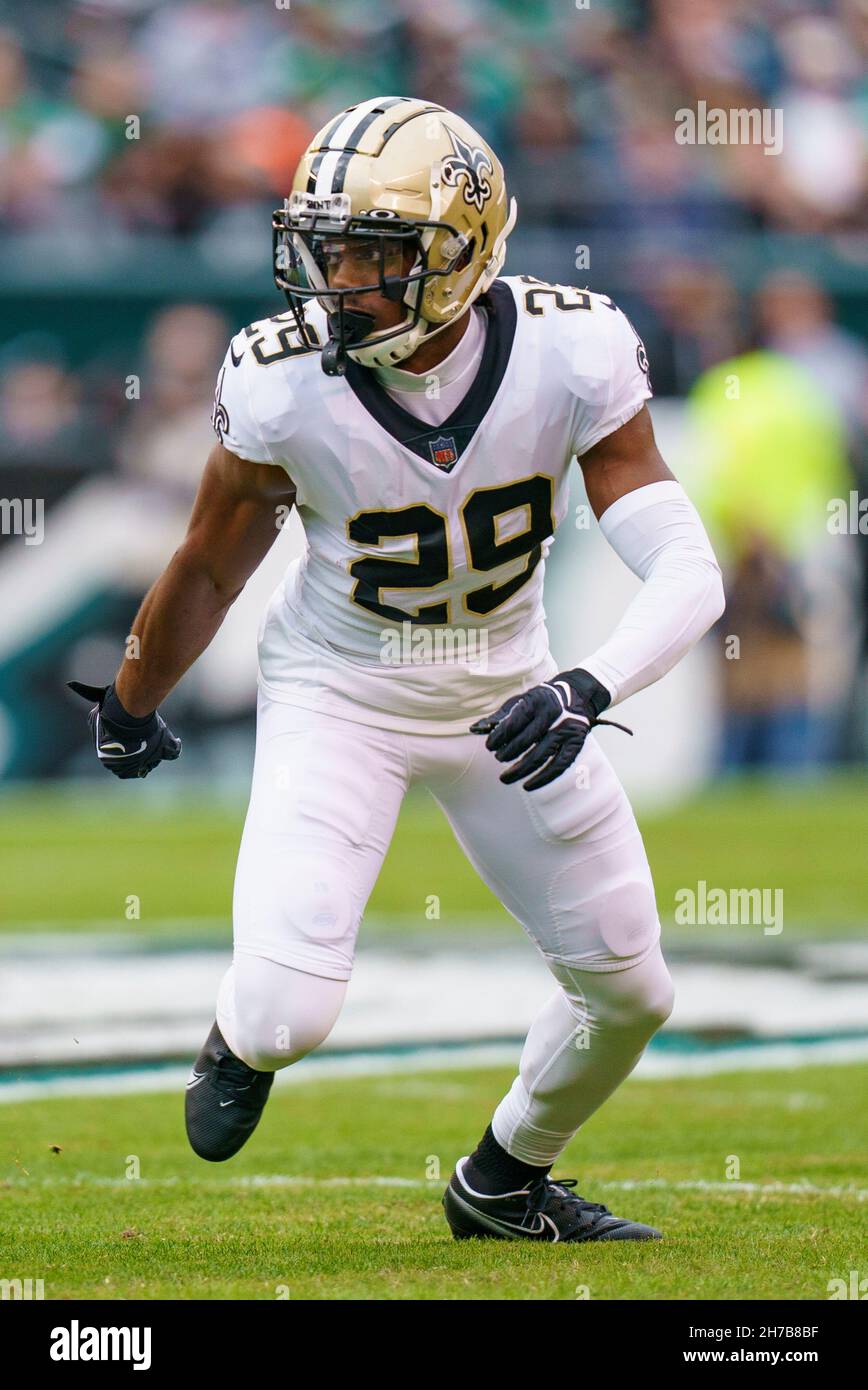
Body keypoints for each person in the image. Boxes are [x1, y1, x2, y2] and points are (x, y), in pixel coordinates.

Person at [70, 96, 724, 1244]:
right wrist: (132, 700)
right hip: (342, 692)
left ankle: (504, 1180)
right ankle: (235, 1032)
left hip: (509, 696)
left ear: (463, 252)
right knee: (284, 1015)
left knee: (631, 993)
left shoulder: (570, 348)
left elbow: (684, 566)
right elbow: (211, 565)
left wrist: (587, 685)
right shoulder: (280, 380)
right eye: (330, 251)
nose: (341, 281)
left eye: (377, 254)